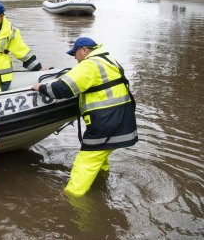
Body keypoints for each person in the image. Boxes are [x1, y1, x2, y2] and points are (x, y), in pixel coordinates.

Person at [31, 37, 138, 197]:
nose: (75, 57)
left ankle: (72, 198)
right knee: (101, 154)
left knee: (85, 162)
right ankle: (102, 182)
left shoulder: (90, 64)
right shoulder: (108, 60)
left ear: (84, 50)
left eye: (75, 53)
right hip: (121, 119)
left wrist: (41, 87)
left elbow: (63, 89)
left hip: (106, 123)